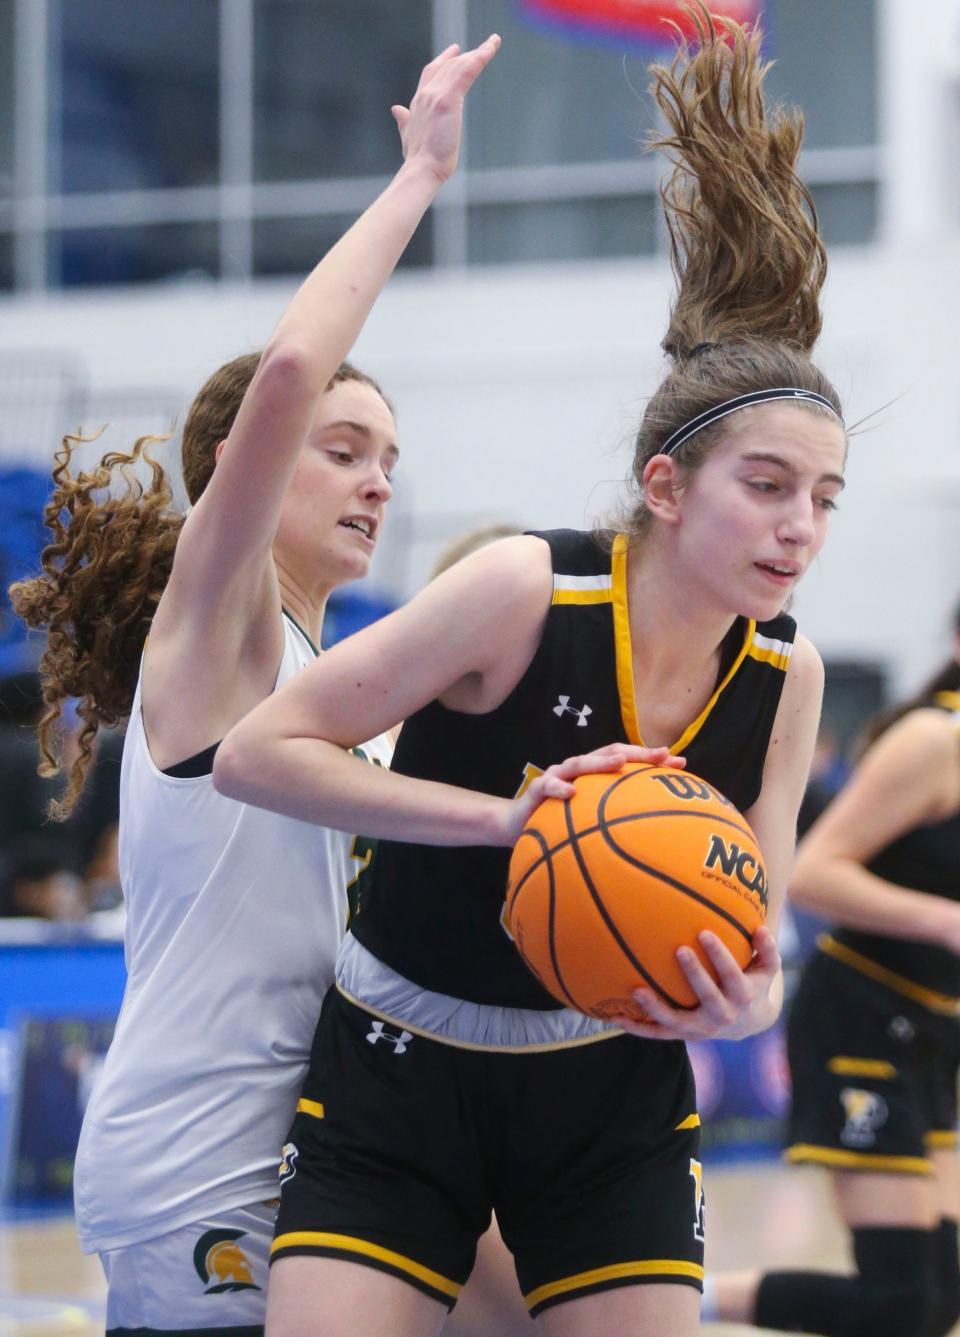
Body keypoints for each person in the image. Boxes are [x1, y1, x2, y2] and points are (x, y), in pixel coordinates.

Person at [213, 7, 847, 1335]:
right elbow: (259, 752)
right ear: (665, 487)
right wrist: (509, 821)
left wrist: (741, 1004)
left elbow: (766, 937)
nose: (801, 526)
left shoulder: (787, 674)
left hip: (609, 1096)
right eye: (771, 486)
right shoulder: (524, 589)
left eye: (828, 499)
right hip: (399, 1063)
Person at [9, 34, 500, 1337]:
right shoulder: (218, 639)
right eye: (343, 450)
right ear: (247, 467)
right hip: (203, 1154)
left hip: (334, 1139)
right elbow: (287, 371)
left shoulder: (345, 689)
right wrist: (417, 182)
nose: (378, 480)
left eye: (391, 455)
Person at [707, 606, 960, 1337]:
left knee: (937, 1301)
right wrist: (944, 920)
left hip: (932, 1033)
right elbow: (815, 874)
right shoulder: (931, 742)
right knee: (902, 1303)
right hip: (863, 1020)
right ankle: (668, 1303)